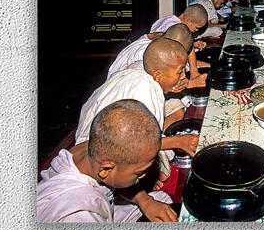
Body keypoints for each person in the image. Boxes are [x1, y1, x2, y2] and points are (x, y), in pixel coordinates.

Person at [37, 99, 178, 223]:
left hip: (105, 204)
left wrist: (145, 201)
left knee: (161, 203)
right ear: (106, 169)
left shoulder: (94, 148)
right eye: (139, 173)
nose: (144, 176)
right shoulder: (78, 215)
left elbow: (114, 180)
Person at [77, 40, 198, 169]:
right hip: (100, 146)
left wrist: (170, 86)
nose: (183, 76)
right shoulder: (144, 90)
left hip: (123, 130)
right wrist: (179, 141)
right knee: (161, 172)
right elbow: (130, 142)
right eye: (180, 72)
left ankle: (160, 137)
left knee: (176, 105)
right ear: (158, 75)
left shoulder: (144, 67)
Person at [107, 5, 207, 79]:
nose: (195, 31)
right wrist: (194, 72)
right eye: (197, 28)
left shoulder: (169, 21)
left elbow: (163, 35)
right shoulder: (147, 56)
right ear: (189, 20)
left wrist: (192, 43)